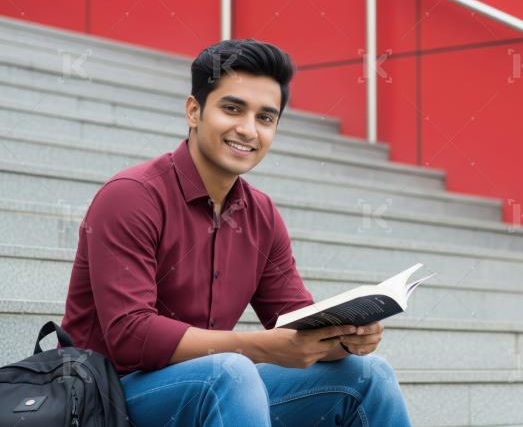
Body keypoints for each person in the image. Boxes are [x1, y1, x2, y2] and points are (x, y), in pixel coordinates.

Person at [61, 38, 412, 426]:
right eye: (232, 109)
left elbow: (294, 320)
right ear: (194, 111)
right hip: (103, 397)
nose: (247, 130)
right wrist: (257, 348)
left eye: (265, 118)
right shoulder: (131, 196)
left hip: (213, 390)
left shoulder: (261, 215)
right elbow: (130, 336)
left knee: (368, 375)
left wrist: (346, 337)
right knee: (230, 371)